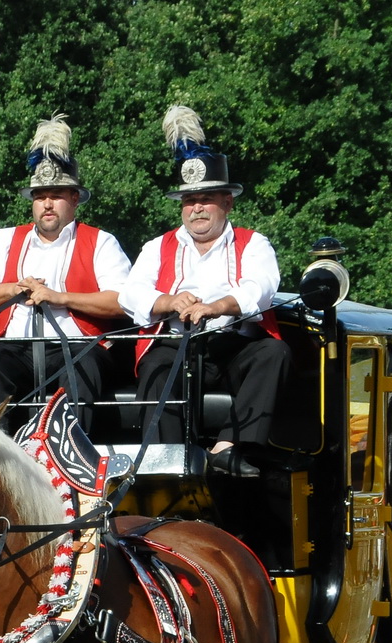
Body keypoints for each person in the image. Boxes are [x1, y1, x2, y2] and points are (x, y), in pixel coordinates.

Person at [120, 105, 290, 478]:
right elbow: (130, 293)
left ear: (227, 202)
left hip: (232, 344)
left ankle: (229, 448)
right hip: (176, 342)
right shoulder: (157, 246)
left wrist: (218, 306)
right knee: (157, 369)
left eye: (205, 199)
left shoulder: (253, 243)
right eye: (188, 201)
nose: (196, 209)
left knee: (273, 352)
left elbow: (260, 288)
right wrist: (168, 301)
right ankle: (164, 464)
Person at [0, 114, 132, 418]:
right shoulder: (4, 240)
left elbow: (123, 302)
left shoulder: (101, 242)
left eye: (56, 195)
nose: (47, 204)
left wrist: (58, 297)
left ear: (75, 199)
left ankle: (69, 456)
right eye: (40, 197)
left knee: (82, 367)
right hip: (14, 348)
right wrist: (14, 289)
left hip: (78, 348)